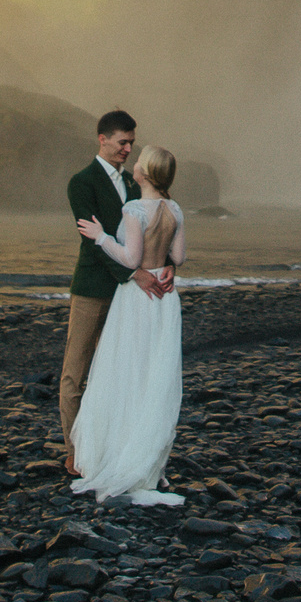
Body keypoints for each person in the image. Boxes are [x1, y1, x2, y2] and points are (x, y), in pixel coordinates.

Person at [69, 143, 188, 505]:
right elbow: (179, 256)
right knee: (154, 375)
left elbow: (131, 257)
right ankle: (148, 458)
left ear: (146, 173)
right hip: (165, 299)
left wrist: (101, 237)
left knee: (125, 371)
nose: (132, 160)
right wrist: (166, 265)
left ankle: (116, 453)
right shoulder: (175, 209)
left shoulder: (135, 208)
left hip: (138, 298)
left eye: (139, 160)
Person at [60, 110, 171, 473]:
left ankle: (109, 446)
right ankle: (75, 451)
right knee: (75, 373)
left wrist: (166, 263)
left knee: (115, 372)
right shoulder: (82, 182)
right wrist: (135, 273)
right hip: (93, 288)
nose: (127, 149)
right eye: (122, 142)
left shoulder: (134, 185)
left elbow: (153, 226)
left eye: (131, 144)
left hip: (128, 297)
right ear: (102, 139)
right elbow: (92, 241)